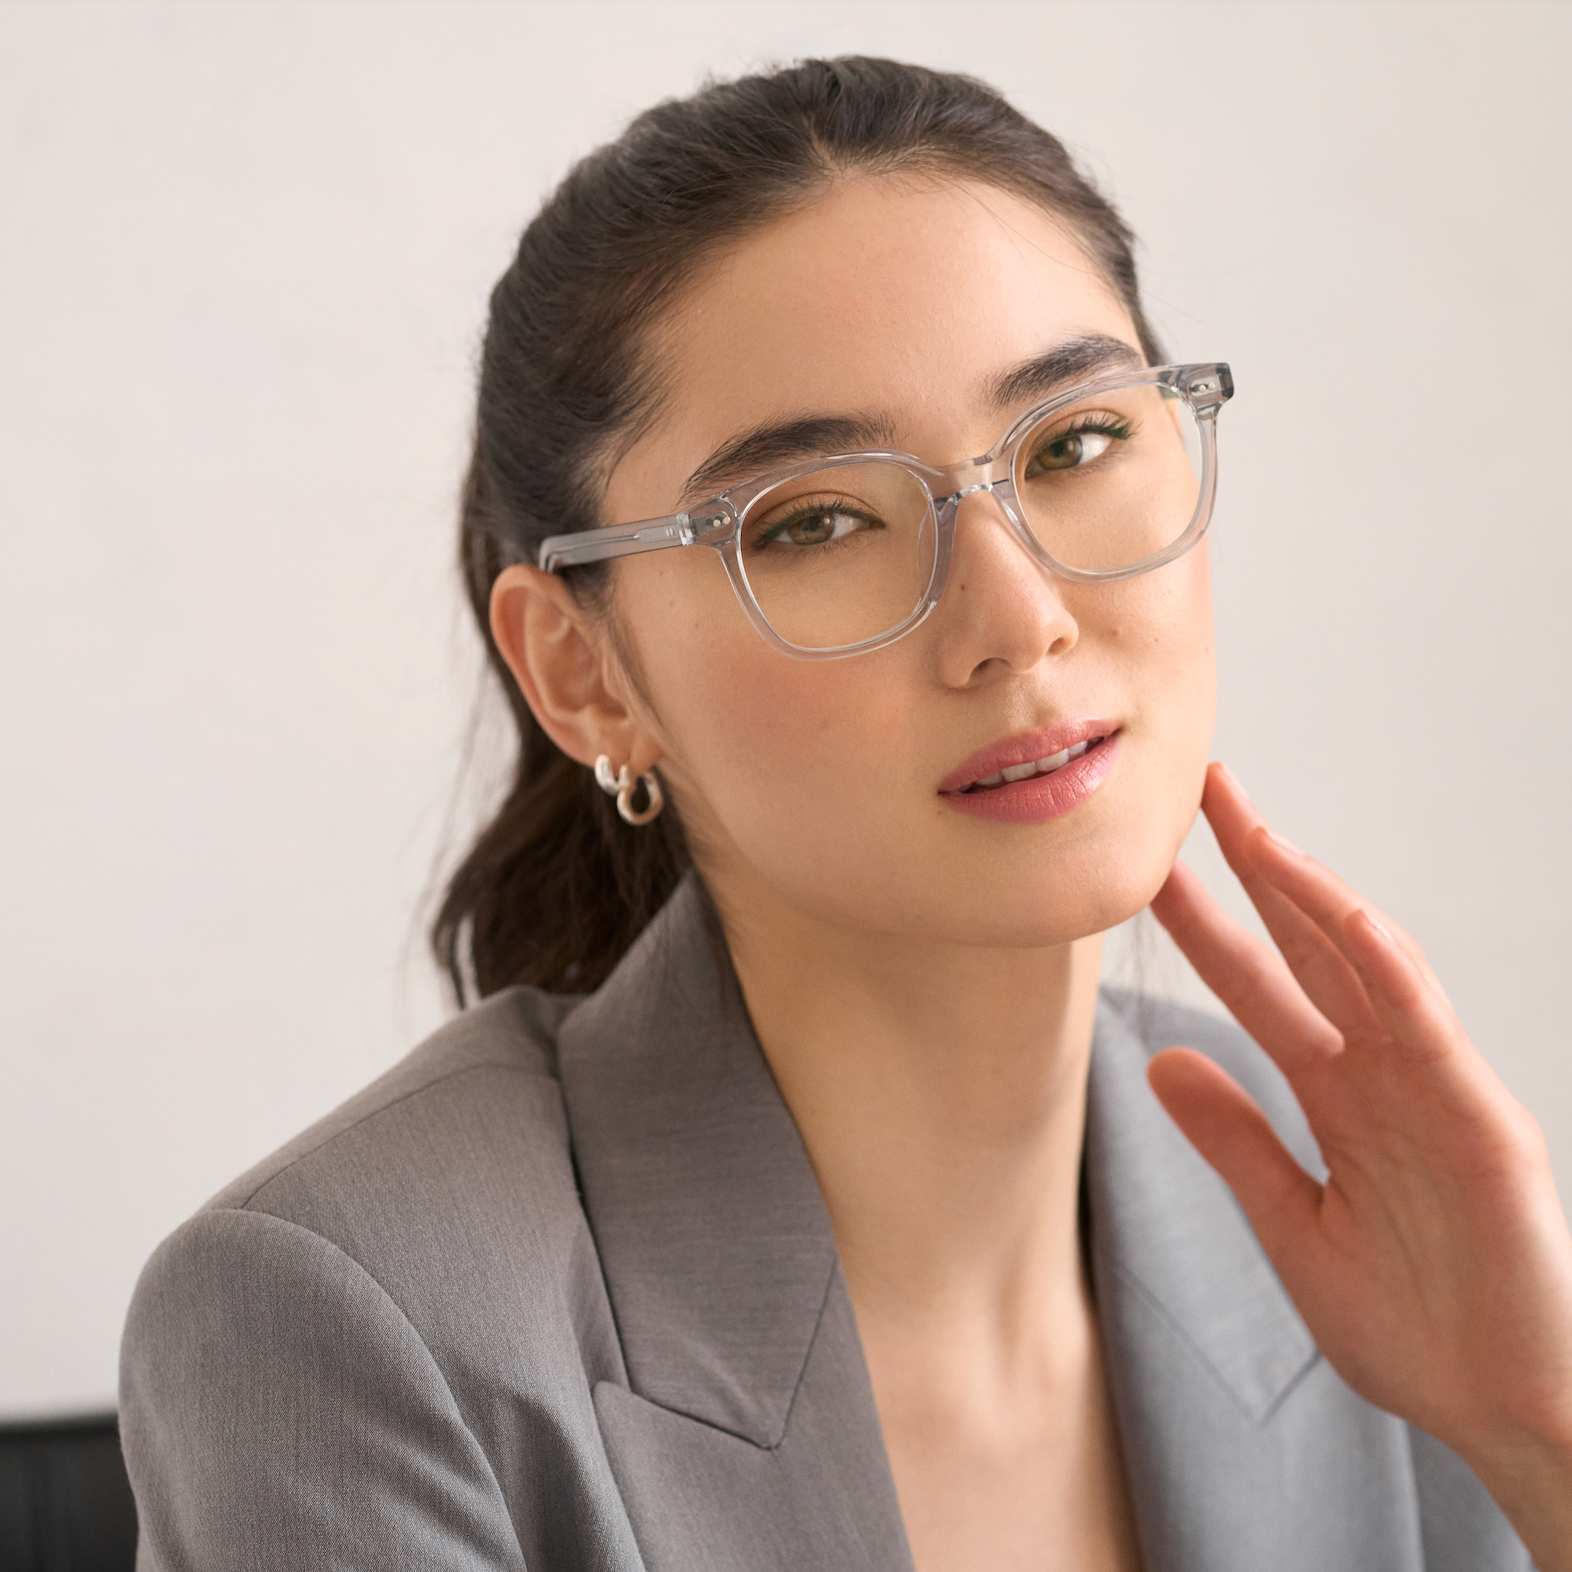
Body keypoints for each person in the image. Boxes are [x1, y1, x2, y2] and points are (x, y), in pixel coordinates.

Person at [119, 56, 1572, 1572]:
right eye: (815, 522)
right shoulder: (352, 1324)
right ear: (583, 672)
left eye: (1075, 443)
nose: (1014, 620)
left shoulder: (1331, 1182)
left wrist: (1538, 1433)